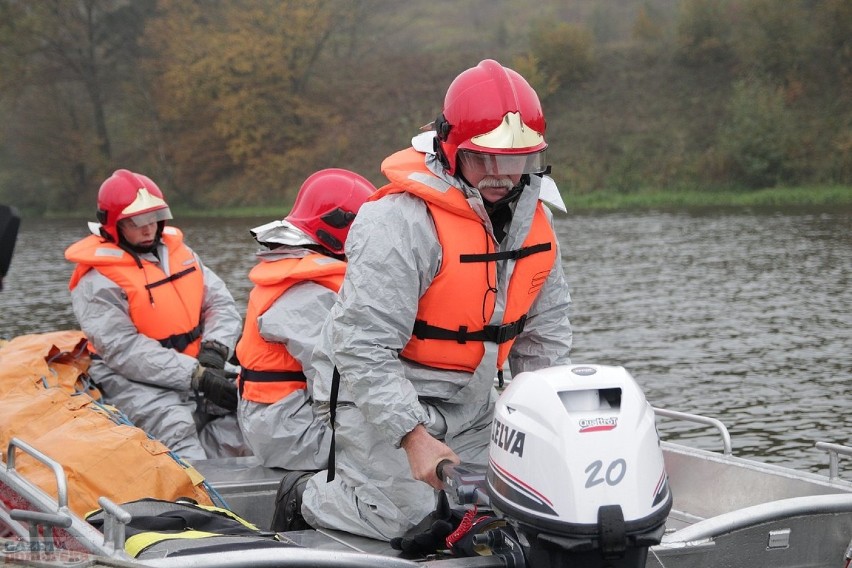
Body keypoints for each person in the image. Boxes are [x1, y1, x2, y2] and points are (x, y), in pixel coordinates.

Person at [291, 59, 573, 541]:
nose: (499, 175)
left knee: (531, 512)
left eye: (514, 160)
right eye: (482, 158)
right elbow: (361, 348)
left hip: (472, 403)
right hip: (377, 401)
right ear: (449, 147)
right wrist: (414, 438)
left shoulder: (535, 223)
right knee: (414, 522)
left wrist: (550, 430)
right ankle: (310, 494)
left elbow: (545, 340)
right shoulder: (399, 222)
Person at [65, 169, 248, 461]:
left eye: (154, 218)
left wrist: (213, 352)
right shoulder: (97, 280)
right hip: (134, 378)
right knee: (175, 427)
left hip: (200, 364)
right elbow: (123, 350)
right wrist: (196, 376)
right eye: (137, 222)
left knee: (253, 403)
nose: (149, 229)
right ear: (114, 225)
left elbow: (220, 305)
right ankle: (200, 498)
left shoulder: (180, 254)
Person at [236, 169, 375, 473]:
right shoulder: (306, 294)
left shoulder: (296, 274)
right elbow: (337, 384)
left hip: (279, 420)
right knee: (407, 445)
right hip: (291, 432)